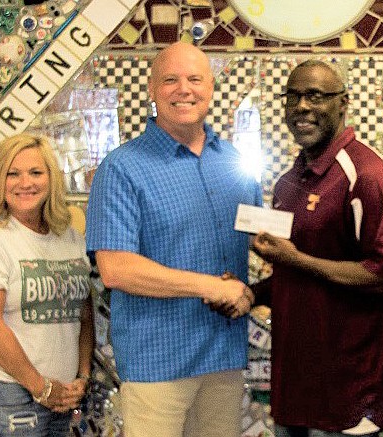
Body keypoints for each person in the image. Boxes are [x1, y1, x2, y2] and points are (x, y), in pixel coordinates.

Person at [85, 41, 262, 437]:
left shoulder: (234, 162)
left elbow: (258, 245)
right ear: (152, 89)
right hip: (158, 362)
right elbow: (116, 270)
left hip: (223, 355)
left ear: (211, 87)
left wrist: (250, 292)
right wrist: (209, 287)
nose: (184, 89)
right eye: (170, 80)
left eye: (194, 79)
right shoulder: (122, 168)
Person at [252, 60, 383, 437]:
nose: (302, 106)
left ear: (343, 103)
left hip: (350, 394)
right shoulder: (290, 182)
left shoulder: (369, 175)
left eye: (316, 96)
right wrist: (250, 292)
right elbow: (296, 277)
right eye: (294, 96)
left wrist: (295, 258)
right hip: (296, 390)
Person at [0, 133, 95, 436]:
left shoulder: (69, 237)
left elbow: (84, 315)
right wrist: (40, 386)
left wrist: (81, 377)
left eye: (35, 172)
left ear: (51, 179)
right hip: (7, 394)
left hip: (61, 394)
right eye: (13, 174)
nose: (25, 183)